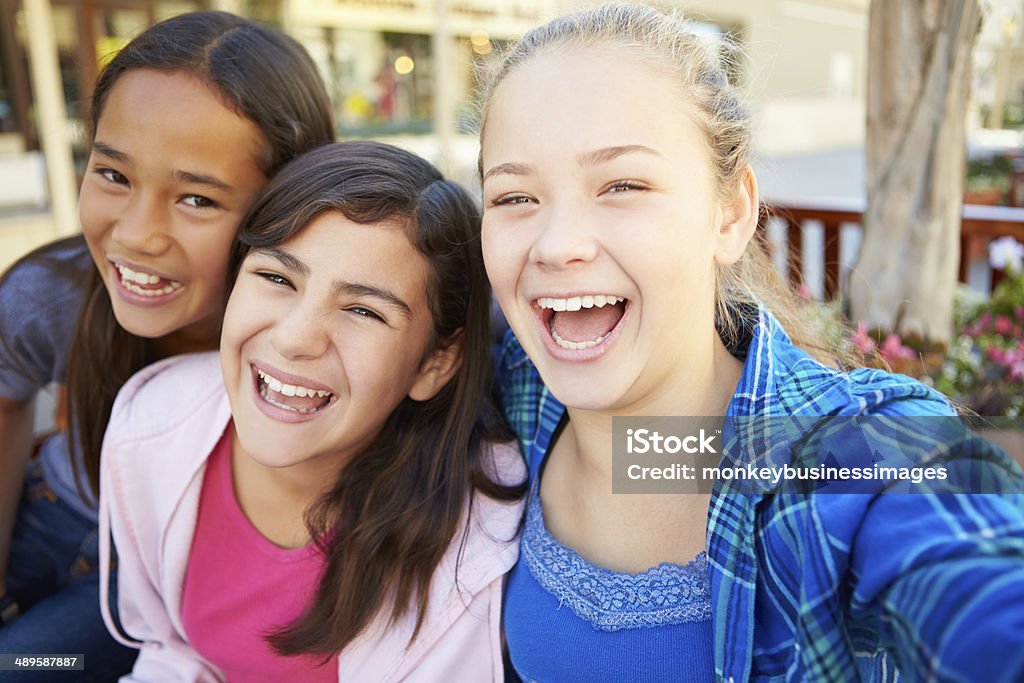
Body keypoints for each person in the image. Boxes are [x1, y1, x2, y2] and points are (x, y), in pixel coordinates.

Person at [476, 4, 1024, 682]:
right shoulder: (516, 386)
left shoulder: (847, 460)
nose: (557, 245)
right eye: (513, 198)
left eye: (622, 185)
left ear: (731, 213)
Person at [98, 140, 527, 681]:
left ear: (434, 364)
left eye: (363, 310)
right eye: (277, 278)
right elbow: (169, 652)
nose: (295, 337)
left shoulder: (475, 535)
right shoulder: (152, 424)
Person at [0, 11, 334, 679]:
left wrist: (617, 456)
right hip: (59, 519)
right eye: (114, 176)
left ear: (289, 203)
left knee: (23, 664)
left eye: (197, 199)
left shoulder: (346, 327)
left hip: (181, 575)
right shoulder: (51, 295)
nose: (137, 234)